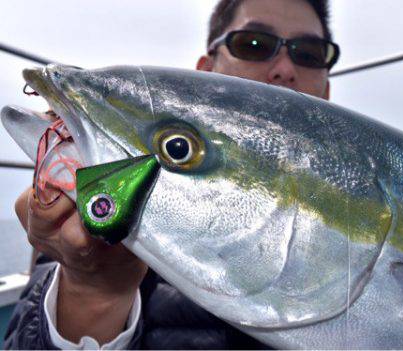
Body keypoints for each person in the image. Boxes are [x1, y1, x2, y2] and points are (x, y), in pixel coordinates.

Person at [5, 0, 339, 349]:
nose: (285, 68)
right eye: (253, 44)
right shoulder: (111, 200)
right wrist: (93, 290)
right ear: (205, 71)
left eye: (310, 53)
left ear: (327, 90)